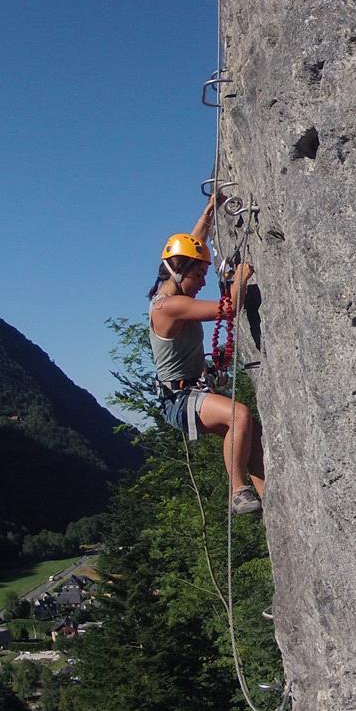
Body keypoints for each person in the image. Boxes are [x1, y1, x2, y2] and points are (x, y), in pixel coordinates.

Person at [149, 194, 263, 514]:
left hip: (188, 390)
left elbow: (191, 244)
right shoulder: (168, 306)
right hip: (180, 399)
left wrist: (210, 210)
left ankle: (269, 498)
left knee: (250, 437)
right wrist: (240, 276)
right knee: (238, 415)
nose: (202, 282)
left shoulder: (171, 282)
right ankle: (239, 492)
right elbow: (227, 310)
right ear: (179, 271)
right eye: (198, 276)